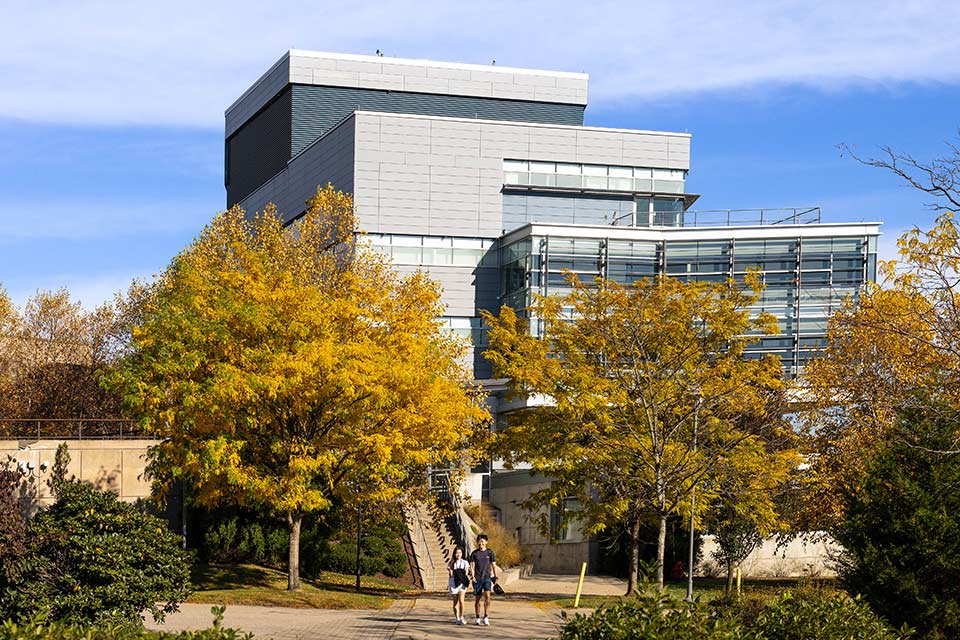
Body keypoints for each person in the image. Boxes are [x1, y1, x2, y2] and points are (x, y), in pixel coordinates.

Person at [468, 533, 500, 626]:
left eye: (482, 541)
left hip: (487, 578)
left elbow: (494, 565)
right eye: (479, 541)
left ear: (486, 542)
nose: (480, 543)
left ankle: (486, 616)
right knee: (477, 599)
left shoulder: (490, 553)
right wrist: (473, 576)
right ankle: (477, 617)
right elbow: (472, 566)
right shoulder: (474, 553)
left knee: (487, 596)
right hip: (477, 579)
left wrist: (495, 576)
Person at [447, 546, 471, 625]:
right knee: (455, 603)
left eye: (460, 553)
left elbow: (466, 572)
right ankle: (457, 617)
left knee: (461, 601)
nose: (458, 554)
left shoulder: (465, 562)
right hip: (454, 583)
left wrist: (460, 573)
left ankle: (461, 617)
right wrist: (456, 572)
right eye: (457, 553)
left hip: (462, 583)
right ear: (454, 554)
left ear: (462, 554)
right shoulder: (451, 563)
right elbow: (451, 574)